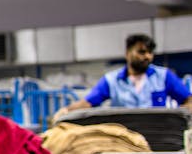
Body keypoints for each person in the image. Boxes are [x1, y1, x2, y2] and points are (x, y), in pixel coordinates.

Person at [55, 33, 192, 119]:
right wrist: (66, 110)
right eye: (141, 52)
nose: (147, 56)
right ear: (127, 53)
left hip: (158, 134)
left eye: (150, 52)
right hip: (125, 139)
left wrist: (182, 117)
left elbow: (188, 100)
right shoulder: (111, 81)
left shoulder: (164, 76)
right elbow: (88, 102)